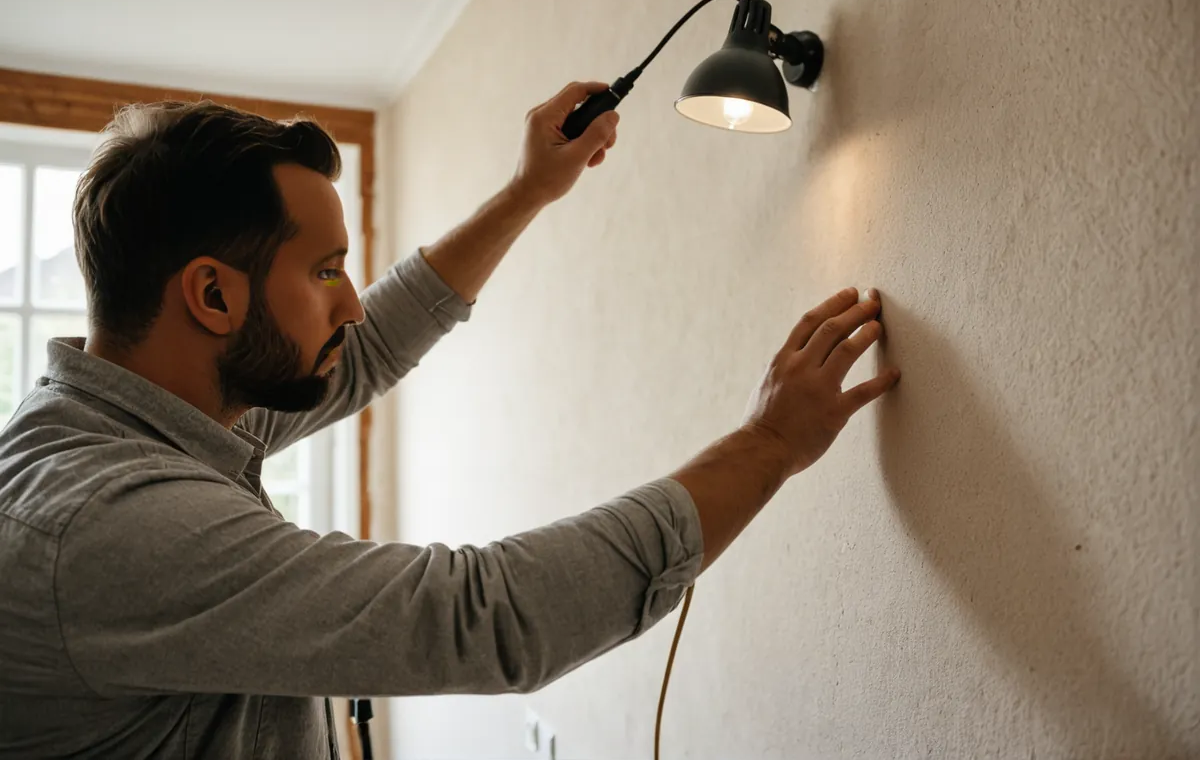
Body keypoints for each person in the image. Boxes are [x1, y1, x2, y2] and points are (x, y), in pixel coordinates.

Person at [0, 81, 899, 758]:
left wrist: (529, 190)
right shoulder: (111, 528)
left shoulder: (127, 414)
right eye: (326, 271)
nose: (350, 303)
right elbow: (487, 615)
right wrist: (771, 444)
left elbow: (362, 350)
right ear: (211, 296)